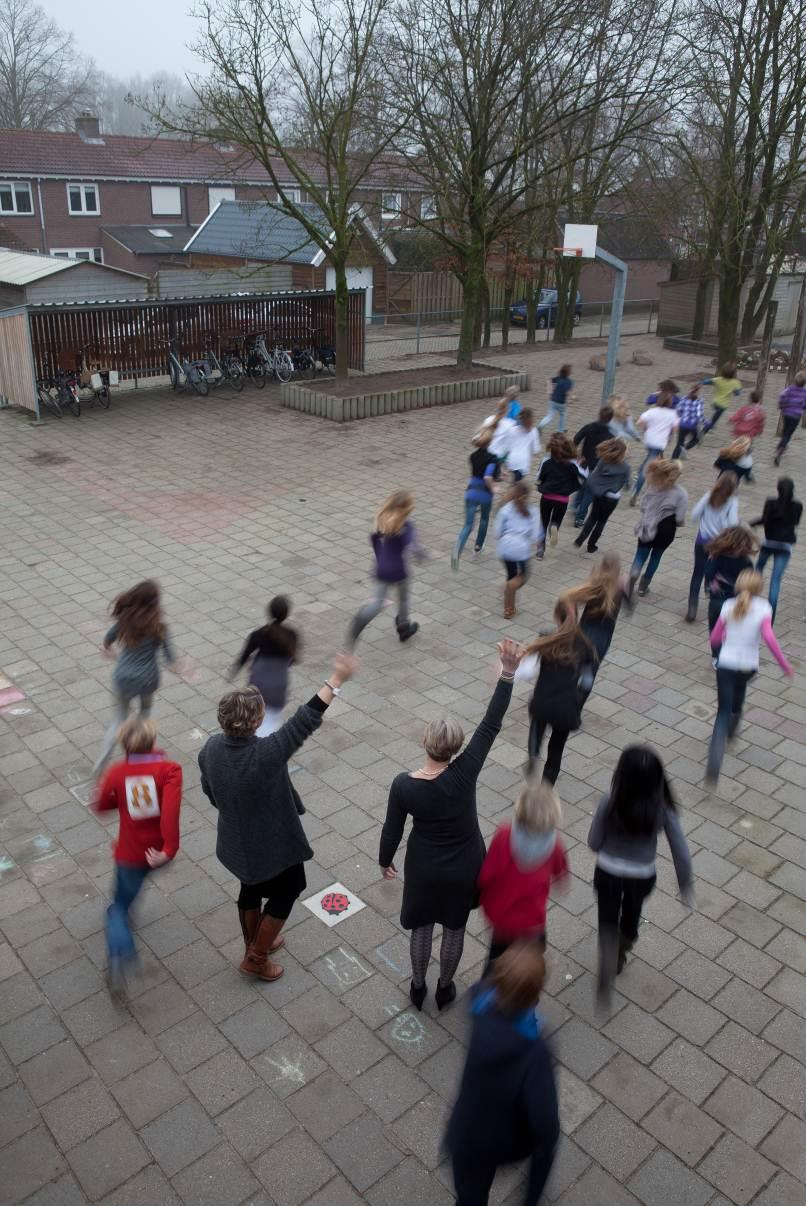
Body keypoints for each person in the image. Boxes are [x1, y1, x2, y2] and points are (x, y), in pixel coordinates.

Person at [378, 640, 524, 1012]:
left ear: (425, 742)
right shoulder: (465, 771)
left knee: (422, 928)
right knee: (454, 929)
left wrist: (385, 860)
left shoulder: (404, 785)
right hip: (464, 866)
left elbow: (392, 830)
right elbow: (491, 724)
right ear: (457, 748)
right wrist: (508, 673)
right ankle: (445, 988)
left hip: (425, 867)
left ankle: (417, 986)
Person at [199, 652, 359, 981]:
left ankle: (256, 942)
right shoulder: (265, 753)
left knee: (250, 887)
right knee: (289, 888)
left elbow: (209, 790)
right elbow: (306, 720)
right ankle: (256, 957)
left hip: (236, 842)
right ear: (255, 722)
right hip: (271, 845)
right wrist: (337, 678)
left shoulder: (210, 749)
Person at [444, 942, 560, 1206]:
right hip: (504, 1141)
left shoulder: (478, 1005)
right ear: (536, 997)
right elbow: (546, 1128)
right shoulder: (535, 1053)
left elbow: (481, 989)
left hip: (467, 1135)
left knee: (469, 1197)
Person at [588, 746, 693, 1001]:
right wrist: (685, 882)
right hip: (642, 874)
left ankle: (608, 945)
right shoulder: (663, 808)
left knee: (607, 912)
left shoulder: (610, 798)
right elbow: (680, 848)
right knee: (632, 911)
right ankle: (626, 939)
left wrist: (603, 846)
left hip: (608, 871)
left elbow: (593, 840)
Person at [93, 717, 182, 989]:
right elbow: (169, 814)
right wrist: (168, 850)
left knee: (117, 908)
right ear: (152, 741)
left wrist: (106, 797)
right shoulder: (169, 770)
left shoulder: (117, 773)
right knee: (132, 890)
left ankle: (121, 949)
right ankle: (126, 919)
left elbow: (102, 805)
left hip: (130, 854)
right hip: (155, 853)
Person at [706, 571, 793, 783]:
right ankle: (733, 731)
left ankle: (715, 760)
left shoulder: (728, 606)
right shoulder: (764, 609)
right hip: (747, 666)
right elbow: (770, 639)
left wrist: (723, 643)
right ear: (759, 588)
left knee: (722, 711)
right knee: (738, 701)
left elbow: (715, 638)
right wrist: (784, 665)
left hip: (726, 663)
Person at [478, 781, 569, 965]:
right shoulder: (555, 845)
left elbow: (486, 875)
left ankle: (489, 990)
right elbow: (561, 875)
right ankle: (527, 989)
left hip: (502, 918)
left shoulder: (504, 835)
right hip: (532, 922)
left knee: (496, 963)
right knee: (529, 966)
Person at [94, 580, 179, 774]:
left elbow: (108, 639)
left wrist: (107, 650)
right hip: (148, 680)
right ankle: (138, 755)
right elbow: (170, 659)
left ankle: (102, 761)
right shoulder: (160, 626)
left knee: (119, 719)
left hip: (123, 677)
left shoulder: (125, 620)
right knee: (144, 715)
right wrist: (182, 667)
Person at [523, 598, 593, 782]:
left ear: (556, 616)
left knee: (537, 728)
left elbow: (529, 669)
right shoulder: (585, 645)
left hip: (543, 700)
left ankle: (533, 754)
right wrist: (577, 701)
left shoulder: (546, 638)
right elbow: (587, 682)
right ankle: (546, 788)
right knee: (556, 749)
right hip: (566, 706)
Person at [348, 490, 424, 646]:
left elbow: (374, 540)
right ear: (406, 509)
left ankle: (361, 618)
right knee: (403, 597)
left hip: (381, 568)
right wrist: (420, 553)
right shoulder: (407, 526)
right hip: (398, 570)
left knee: (377, 602)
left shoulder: (381, 522)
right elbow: (413, 545)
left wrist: (380, 559)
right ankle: (403, 627)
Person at [230, 596, 300, 736]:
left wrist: (233, 672)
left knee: (252, 717)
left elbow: (243, 657)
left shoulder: (258, 635)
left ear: (269, 612)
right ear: (286, 614)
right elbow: (293, 660)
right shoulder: (292, 635)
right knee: (272, 721)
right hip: (278, 684)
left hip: (258, 682)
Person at [564, 554, 631, 689]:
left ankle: (564, 696)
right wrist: (626, 588)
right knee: (588, 677)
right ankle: (578, 704)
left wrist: (571, 618)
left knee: (572, 670)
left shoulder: (593, 586)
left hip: (583, 635)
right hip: (602, 639)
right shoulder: (619, 588)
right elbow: (629, 609)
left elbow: (569, 598)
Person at [629, 458, 688, 598]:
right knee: (656, 556)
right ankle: (643, 586)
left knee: (641, 554)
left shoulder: (652, 487)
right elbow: (680, 518)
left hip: (648, 526)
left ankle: (633, 575)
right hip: (666, 529)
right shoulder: (681, 493)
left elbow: (643, 506)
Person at [685, 472, 739, 622]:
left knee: (697, 573)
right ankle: (712, 595)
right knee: (717, 572)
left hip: (702, 541)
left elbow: (694, 515)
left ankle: (692, 608)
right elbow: (733, 525)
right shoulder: (732, 501)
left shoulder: (709, 495)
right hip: (719, 545)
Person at [751, 477, 802, 620]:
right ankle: (770, 617)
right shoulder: (798, 506)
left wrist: (752, 523)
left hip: (769, 544)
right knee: (776, 580)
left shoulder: (771, 503)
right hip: (785, 547)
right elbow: (796, 522)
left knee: (758, 569)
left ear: (778, 489)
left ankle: (750, 598)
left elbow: (764, 520)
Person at [573, 438, 631, 553]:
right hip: (612, 498)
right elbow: (627, 484)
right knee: (602, 521)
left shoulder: (603, 461)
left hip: (599, 494)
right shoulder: (626, 467)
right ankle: (591, 545)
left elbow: (595, 475)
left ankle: (581, 538)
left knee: (592, 517)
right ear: (623, 453)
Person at [494, 482, 542, 619]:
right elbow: (535, 536)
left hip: (505, 547)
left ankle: (509, 609)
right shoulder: (533, 511)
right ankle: (508, 589)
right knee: (523, 575)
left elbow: (497, 532)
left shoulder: (505, 510)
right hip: (521, 548)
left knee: (512, 574)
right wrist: (536, 543)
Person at [452, 430, 499, 569]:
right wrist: (494, 488)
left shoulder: (472, 456)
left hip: (471, 491)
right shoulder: (493, 458)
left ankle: (457, 550)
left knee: (468, 524)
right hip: (484, 493)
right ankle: (478, 545)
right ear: (490, 442)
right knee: (484, 519)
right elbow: (488, 476)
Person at [534, 432, 585, 558]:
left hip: (547, 497)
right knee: (555, 521)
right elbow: (581, 477)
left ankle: (540, 551)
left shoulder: (546, 463)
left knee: (543, 523)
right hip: (562, 499)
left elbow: (539, 478)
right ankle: (554, 527)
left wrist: (540, 484)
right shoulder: (571, 465)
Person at [704, 526, 758, 634]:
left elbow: (708, 574)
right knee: (733, 633)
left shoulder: (716, 556)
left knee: (715, 633)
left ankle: (717, 651)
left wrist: (709, 588)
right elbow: (749, 583)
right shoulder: (746, 561)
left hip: (717, 600)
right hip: (737, 602)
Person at [630, 396, 680, 503]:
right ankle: (636, 491)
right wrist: (669, 433)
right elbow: (675, 429)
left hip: (649, 441)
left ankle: (648, 476)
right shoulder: (672, 414)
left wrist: (646, 427)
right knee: (647, 468)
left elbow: (639, 423)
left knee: (654, 459)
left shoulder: (652, 411)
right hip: (659, 443)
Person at [573, 405, 615, 526]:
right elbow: (612, 454)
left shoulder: (589, 427)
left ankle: (575, 505)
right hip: (598, 467)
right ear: (610, 419)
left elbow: (576, 439)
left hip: (584, 463)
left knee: (584, 485)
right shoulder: (610, 436)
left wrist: (576, 455)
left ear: (599, 415)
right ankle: (579, 518)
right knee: (589, 493)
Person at [476, 387, 520, 461]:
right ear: (507, 410)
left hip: (486, 453)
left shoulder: (489, 419)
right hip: (499, 457)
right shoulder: (510, 424)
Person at [730, 389, 765, 480]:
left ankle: (734, 465)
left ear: (750, 400)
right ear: (759, 400)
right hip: (748, 436)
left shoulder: (744, 408)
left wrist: (731, 419)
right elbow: (760, 424)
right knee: (747, 453)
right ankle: (747, 473)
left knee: (737, 449)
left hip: (738, 433)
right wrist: (759, 431)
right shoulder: (760, 412)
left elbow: (737, 416)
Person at [773, 371, 806, 466]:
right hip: (796, 416)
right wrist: (802, 409)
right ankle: (780, 449)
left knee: (785, 430)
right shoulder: (804, 392)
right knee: (788, 434)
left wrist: (782, 406)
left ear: (795, 380)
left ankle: (781, 445)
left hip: (786, 414)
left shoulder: (789, 389)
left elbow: (782, 396)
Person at [500, 408, 541, 481]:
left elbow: (506, 447)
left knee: (515, 482)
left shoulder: (512, 430)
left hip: (512, 460)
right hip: (523, 463)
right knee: (517, 484)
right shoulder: (534, 431)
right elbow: (535, 450)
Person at [701, 362, 742, 433]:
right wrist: (735, 390)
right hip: (722, 406)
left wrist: (702, 382)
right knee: (713, 421)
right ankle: (700, 435)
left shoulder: (718, 379)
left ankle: (712, 425)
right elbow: (737, 394)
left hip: (715, 403)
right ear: (734, 373)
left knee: (715, 417)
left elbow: (706, 382)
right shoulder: (736, 382)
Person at [538, 364, 574, 432]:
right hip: (561, 403)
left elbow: (549, 380)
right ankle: (560, 430)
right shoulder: (569, 381)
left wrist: (549, 390)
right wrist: (572, 398)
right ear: (569, 373)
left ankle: (541, 425)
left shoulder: (558, 378)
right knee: (562, 415)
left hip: (552, 400)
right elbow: (567, 392)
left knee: (550, 416)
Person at [672, 384, 705, 457]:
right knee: (696, 439)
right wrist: (705, 422)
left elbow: (678, 410)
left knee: (679, 443)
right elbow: (699, 414)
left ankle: (673, 458)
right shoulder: (700, 401)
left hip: (682, 424)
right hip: (692, 425)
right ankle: (685, 448)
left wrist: (682, 416)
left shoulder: (684, 398)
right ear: (698, 392)